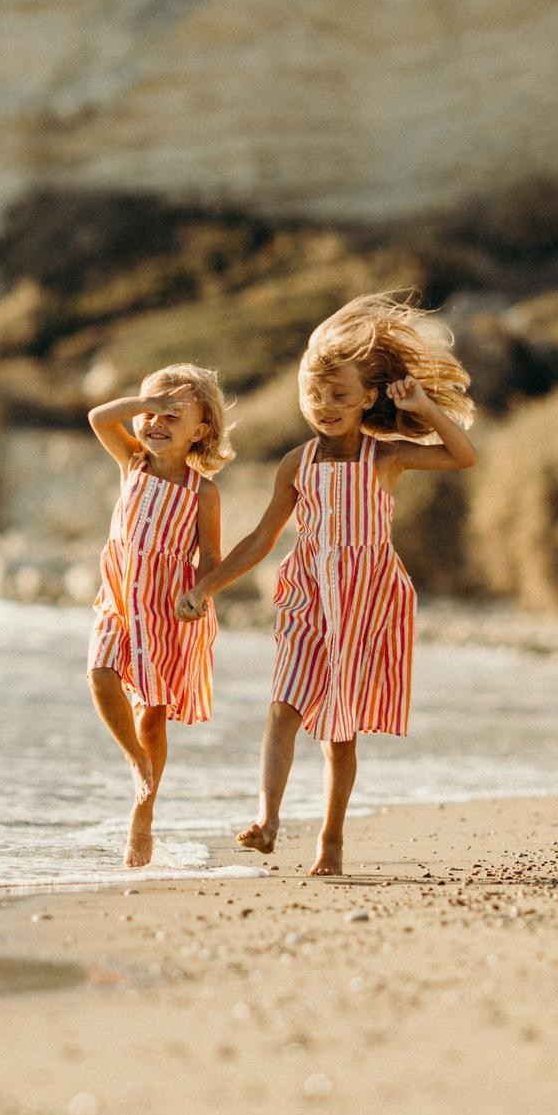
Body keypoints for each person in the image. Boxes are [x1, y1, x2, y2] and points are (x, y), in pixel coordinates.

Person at [175, 292, 476, 876]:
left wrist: (423, 406)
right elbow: (261, 539)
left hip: (364, 602)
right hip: (309, 597)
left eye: (340, 395)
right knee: (282, 708)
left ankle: (331, 841)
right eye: (314, 395)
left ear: (368, 397)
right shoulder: (298, 464)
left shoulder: (385, 458)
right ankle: (267, 821)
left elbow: (462, 455)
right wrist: (207, 586)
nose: (325, 405)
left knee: (338, 734)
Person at [86, 365, 232, 867]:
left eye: (173, 414)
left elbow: (211, 559)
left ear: (201, 430)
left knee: (153, 709)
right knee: (100, 673)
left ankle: (143, 813)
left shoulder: (203, 493)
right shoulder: (132, 463)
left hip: (168, 610)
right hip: (121, 598)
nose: (156, 422)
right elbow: (99, 418)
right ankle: (135, 759)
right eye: (150, 412)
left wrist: (201, 594)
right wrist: (141, 404)